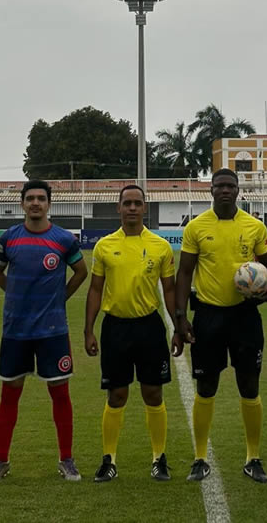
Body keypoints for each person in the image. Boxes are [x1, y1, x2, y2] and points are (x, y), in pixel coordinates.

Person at [175, 168, 267, 483]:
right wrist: (181, 318)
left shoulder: (254, 226)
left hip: (245, 315)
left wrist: (266, 289)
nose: (224, 190)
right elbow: (184, 273)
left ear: (237, 190)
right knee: (206, 387)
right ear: (211, 190)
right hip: (208, 316)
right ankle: (199, 457)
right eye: (219, 185)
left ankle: (253, 458)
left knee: (249, 385)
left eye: (230, 186)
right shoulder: (196, 227)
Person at [0, 180, 88, 483]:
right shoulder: (8, 238)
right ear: (22, 204)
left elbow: (81, 271)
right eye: (30, 198)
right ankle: (0, 460)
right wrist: (17, 299)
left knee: (60, 395)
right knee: (9, 394)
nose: (35, 203)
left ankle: (66, 459)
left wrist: (60, 298)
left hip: (52, 331)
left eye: (41, 198)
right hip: (16, 330)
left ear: (49, 203)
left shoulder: (64, 240)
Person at [84, 185, 178, 482]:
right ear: (119, 208)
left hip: (149, 326)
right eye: (127, 203)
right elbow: (96, 289)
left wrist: (177, 327)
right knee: (117, 394)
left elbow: (171, 289)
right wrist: (89, 329)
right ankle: (108, 459)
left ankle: (159, 458)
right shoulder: (104, 246)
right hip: (115, 328)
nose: (133, 208)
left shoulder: (161, 245)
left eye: (138, 203)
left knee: (153, 393)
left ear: (145, 208)